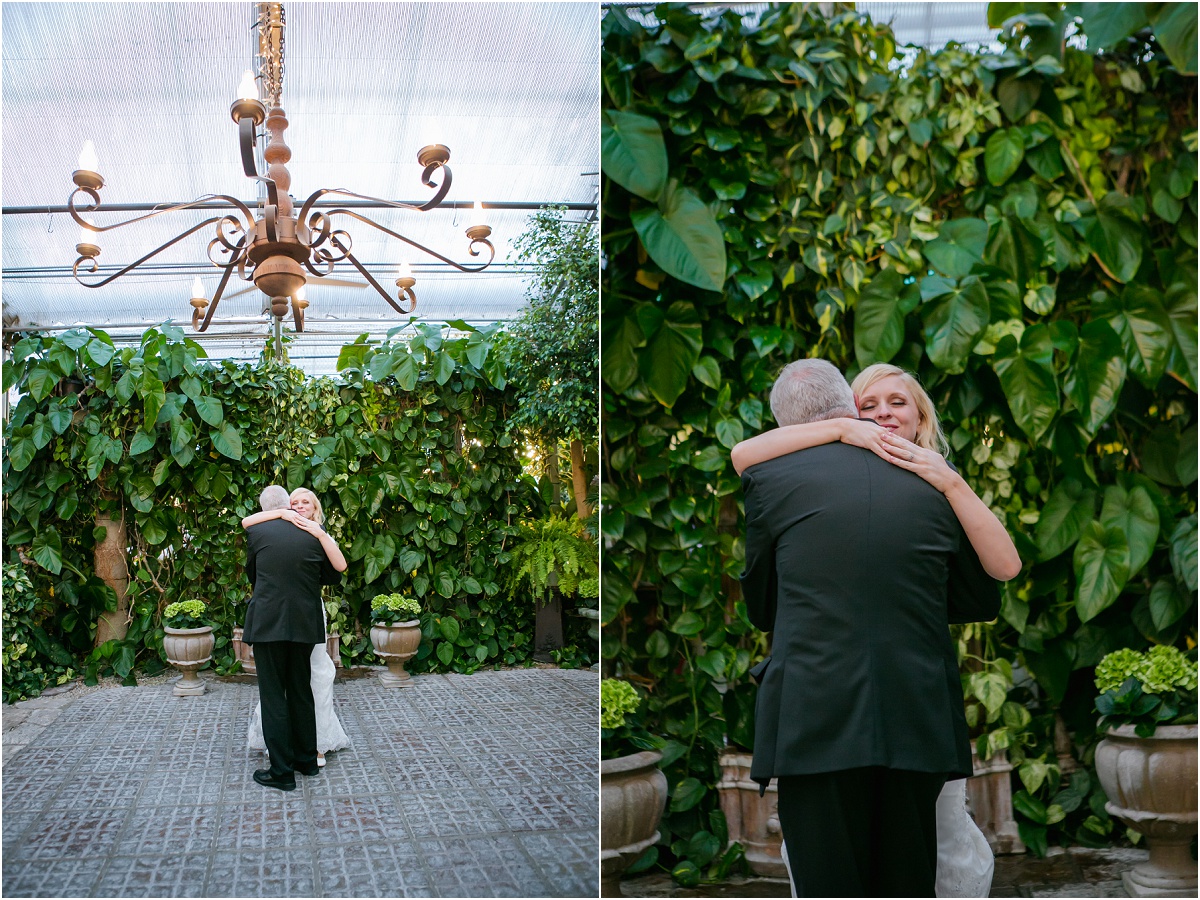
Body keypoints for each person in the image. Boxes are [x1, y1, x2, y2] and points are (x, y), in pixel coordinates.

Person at [735, 362, 1015, 897]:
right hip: (916, 711)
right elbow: (976, 596)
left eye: (898, 403)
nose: (883, 415)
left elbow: (763, 605)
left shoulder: (941, 484)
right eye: (869, 407)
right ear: (849, 413)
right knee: (908, 878)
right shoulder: (932, 494)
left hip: (817, 712)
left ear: (921, 415)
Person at [242, 485, 346, 791]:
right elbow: (333, 576)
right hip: (304, 623)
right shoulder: (317, 535)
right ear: (289, 503)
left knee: (274, 695)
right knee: (301, 690)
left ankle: (282, 773)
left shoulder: (259, 533)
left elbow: (253, 574)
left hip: (268, 622)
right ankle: (306, 762)